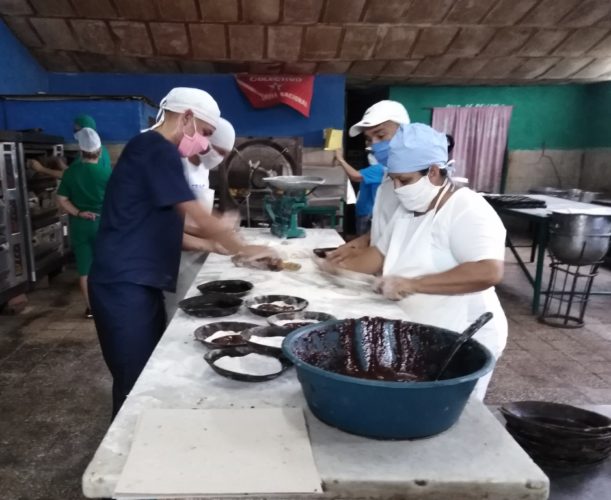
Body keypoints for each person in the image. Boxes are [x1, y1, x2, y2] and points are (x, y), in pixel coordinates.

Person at [88, 87, 274, 417]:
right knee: (136, 380)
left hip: (135, 282)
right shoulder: (155, 148)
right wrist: (244, 248)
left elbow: (175, 221)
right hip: (123, 285)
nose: (202, 143)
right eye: (204, 133)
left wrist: (219, 238)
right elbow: (196, 214)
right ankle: (127, 458)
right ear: (186, 117)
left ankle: (142, 446)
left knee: (149, 370)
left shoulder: (151, 150)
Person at [320, 124, 507, 400]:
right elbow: (379, 255)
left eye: (404, 181)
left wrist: (412, 284)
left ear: (433, 171)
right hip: (421, 330)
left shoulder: (467, 209)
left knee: (448, 409)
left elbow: (487, 271)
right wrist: (333, 269)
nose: (397, 189)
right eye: (393, 180)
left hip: (463, 335)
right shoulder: (410, 209)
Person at [328, 100, 410, 262]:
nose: (375, 145)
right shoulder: (387, 178)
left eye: (380, 135)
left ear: (406, 133)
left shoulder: (426, 185)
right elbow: (385, 230)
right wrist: (356, 245)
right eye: (370, 138)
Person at [55, 127, 111, 318]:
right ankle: (109, 305)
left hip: (80, 225)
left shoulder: (71, 173)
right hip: (103, 225)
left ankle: (91, 309)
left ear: (81, 152)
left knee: (85, 269)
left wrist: (78, 212)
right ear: (100, 151)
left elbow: (62, 199)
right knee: (105, 265)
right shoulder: (105, 174)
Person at [182, 117, 237, 253]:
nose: (220, 159)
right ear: (206, 142)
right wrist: (210, 239)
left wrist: (219, 229)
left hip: (196, 248)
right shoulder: (178, 165)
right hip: (177, 247)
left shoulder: (203, 168)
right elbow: (165, 224)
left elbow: (196, 213)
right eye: (220, 152)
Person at [29, 114, 112, 179]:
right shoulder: (101, 150)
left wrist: (41, 169)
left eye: (77, 130)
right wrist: (59, 161)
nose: (75, 133)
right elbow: (73, 172)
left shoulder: (86, 154)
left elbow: (67, 176)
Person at [333, 149, 384, 235]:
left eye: (372, 153)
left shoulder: (378, 169)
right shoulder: (380, 169)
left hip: (369, 213)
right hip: (368, 211)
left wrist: (341, 159)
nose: (370, 156)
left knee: (363, 240)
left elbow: (355, 176)